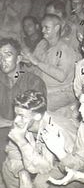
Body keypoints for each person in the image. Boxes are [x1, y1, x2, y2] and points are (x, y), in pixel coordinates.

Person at [2, 90, 77, 188]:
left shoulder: (55, 129)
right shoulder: (22, 122)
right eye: (16, 114)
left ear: (37, 116)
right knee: (8, 166)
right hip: (40, 160)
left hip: (68, 165)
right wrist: (22, 171)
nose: (16, 120)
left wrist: (21, 142)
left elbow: (45, 168)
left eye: (21, 116)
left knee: (42, 181)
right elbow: (12, 150)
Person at [0, 38, 47, 167]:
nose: (2, 60)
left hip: (26, 134)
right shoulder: (2, 79)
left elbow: (38, 121)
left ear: (19, 58)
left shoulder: (33, 82)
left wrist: (8, 123)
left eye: (8, 55)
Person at [21, 14, 78, 113]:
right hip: (41, 88)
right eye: (42, 27)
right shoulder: (42, 44)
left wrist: (37, 62)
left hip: (60, 92)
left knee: (35, 108)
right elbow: (34, 66)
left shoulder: (65, 48)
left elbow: (61, 76)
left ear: (56, 28)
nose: (42, 31)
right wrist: (29, 63)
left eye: (47, 28)